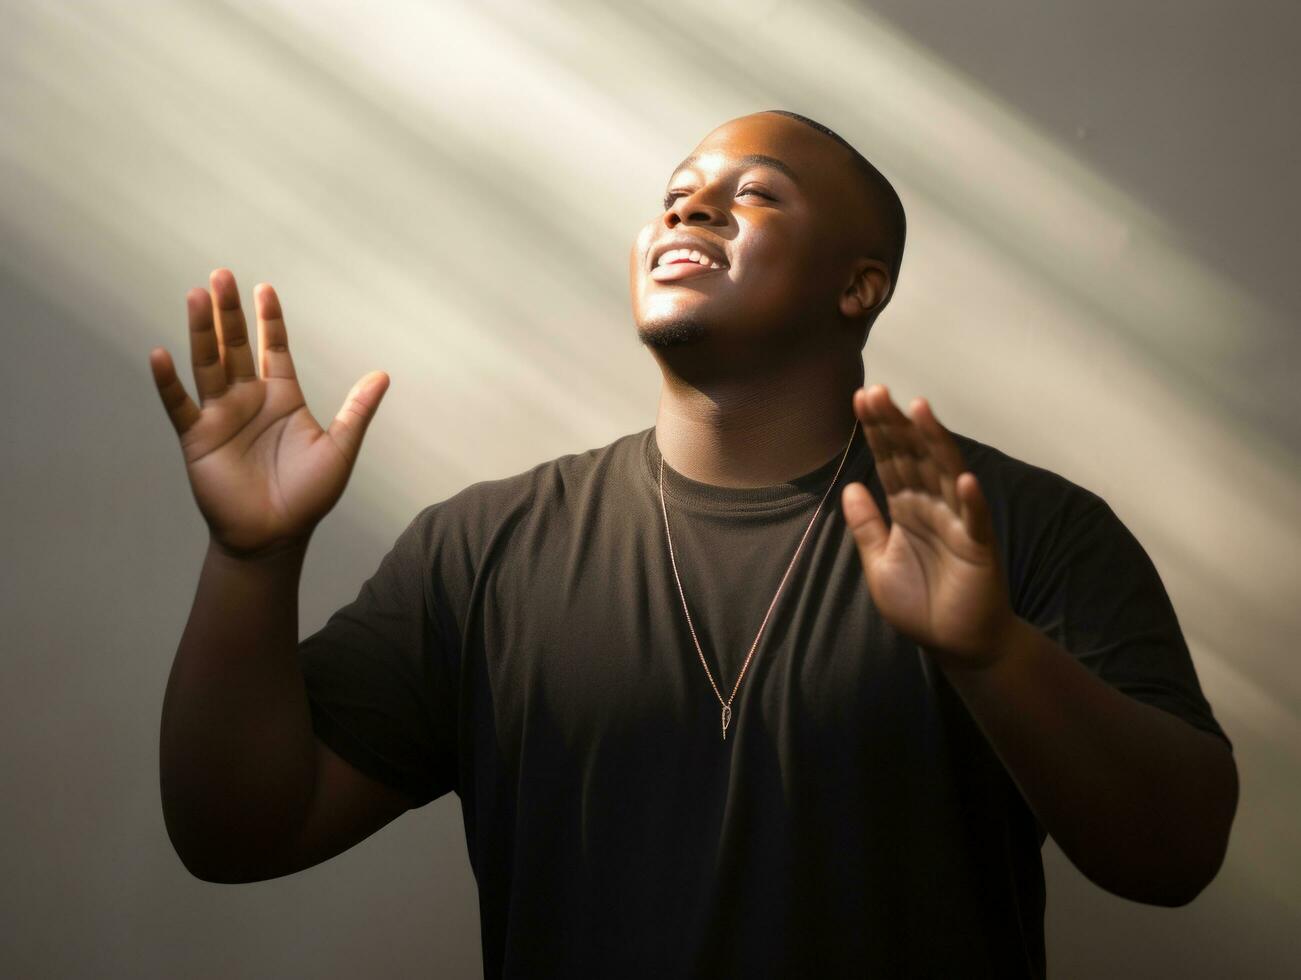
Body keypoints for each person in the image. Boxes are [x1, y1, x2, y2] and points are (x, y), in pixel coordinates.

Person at [153, 110, 1238, 978]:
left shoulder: (1018, 529)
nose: (693, 208)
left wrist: (991, 652)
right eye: (675, 195)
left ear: (858, 285)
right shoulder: (482, 546)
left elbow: (1172, 855)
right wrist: (252, 561)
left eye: (753, 194)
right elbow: (241, 832)